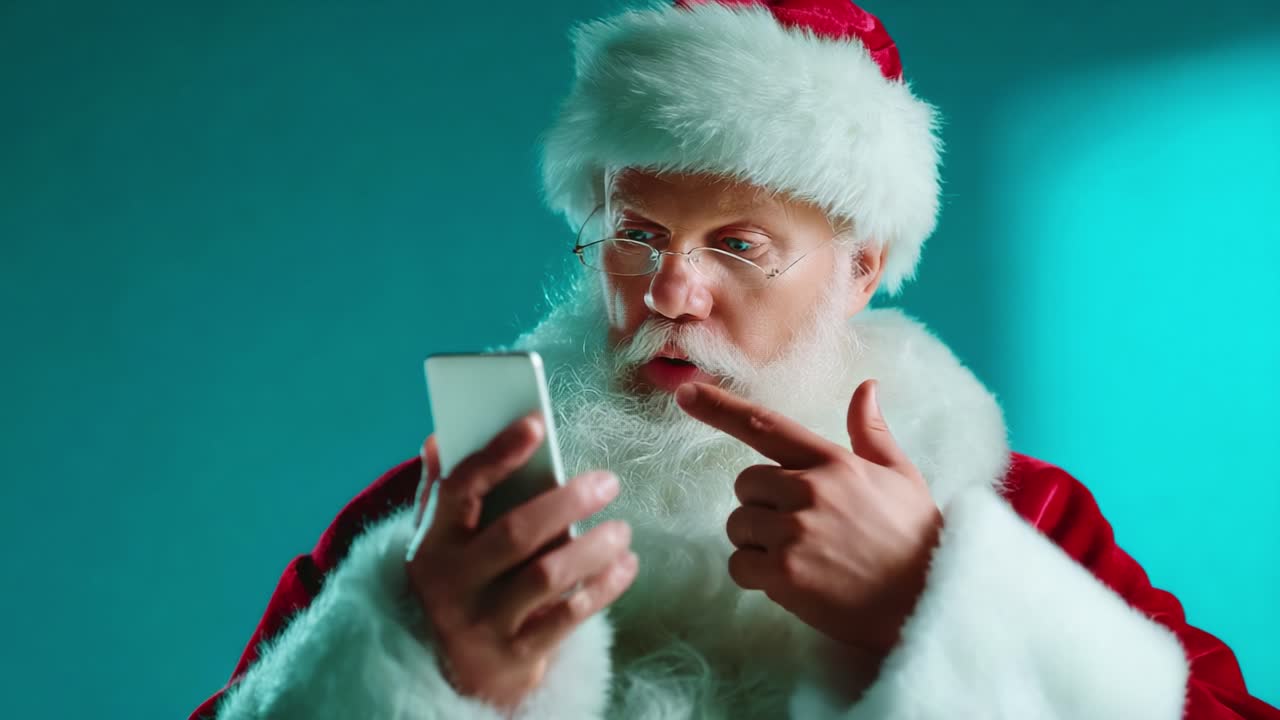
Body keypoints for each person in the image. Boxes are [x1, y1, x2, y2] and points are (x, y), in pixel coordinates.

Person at [191, 1, 1279, 718]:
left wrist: (929, 604)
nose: (668, 293)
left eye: (738, 246)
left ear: (858, 271)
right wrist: (420, 671)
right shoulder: (448, 528)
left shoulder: (1007, 519)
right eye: (635, 235)